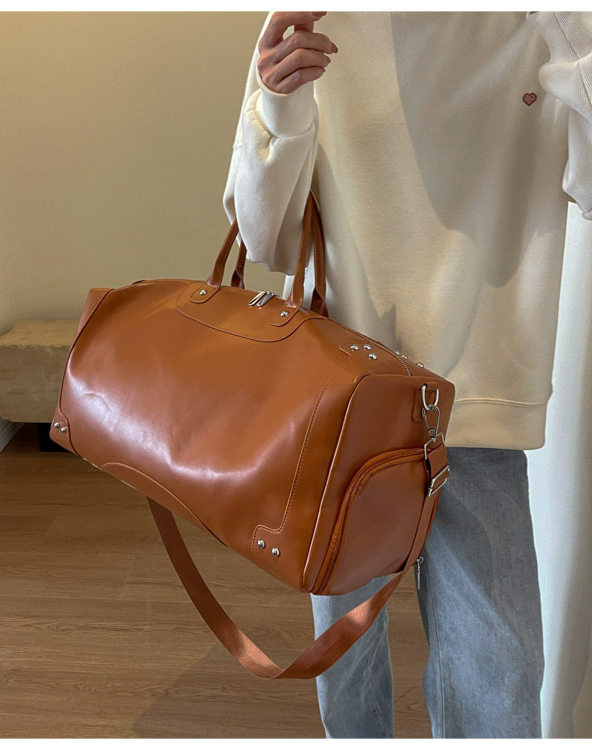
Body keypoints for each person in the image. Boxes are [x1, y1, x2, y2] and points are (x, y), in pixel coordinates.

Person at [222, 10, 592, 740]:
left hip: (479, 405)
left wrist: (571, 42)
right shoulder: (318, 20)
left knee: (502, 677)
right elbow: (264, 240)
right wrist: (280, 104)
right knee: (346, 660)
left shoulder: (544, 25)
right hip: (345, 400)